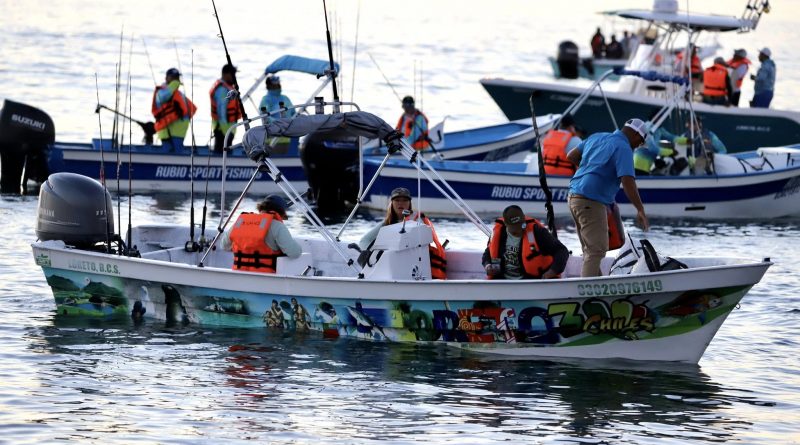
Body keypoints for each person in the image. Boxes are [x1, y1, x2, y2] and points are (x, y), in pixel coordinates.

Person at [566, 118, 650, 277]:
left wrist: (591, 170)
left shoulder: (597, 137)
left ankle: (594, 284)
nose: (639, 145)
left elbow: (571, 156)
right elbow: (628, 182)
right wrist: (640, 209)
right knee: (596, 250)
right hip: (590, 201)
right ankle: (587, 295)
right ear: (635, 134)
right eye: (641, 140)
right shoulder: (624, 148)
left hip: (574, 197)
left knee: (590, 250)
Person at [358, 187, 446, 279]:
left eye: (404, 200)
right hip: (392, 266)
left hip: (415, 268)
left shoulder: (418, 220)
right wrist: (375, 253)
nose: (401, 203)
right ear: (392, 203)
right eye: (397, 200)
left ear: (409, 203)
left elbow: (424, 242)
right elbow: (364, 241)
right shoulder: (386, 223)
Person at [482, 205, 569, 280]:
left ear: (524, 219)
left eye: (522, 226)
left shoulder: (537, 232)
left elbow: (562, 251)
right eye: (514, 230)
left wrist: (551, 272)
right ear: (505, 224)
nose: (520, 231)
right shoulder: (498, 233)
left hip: (532, 281)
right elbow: (487, 253)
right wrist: (487, 265)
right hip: (503, 281)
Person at [222, 194, 302, 273]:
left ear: (261, 208)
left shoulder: (240, 222)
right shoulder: (277, 226)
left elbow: (224, 245)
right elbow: (295, 253)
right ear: (281, 212)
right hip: (265, 278)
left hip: (238, 275)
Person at [151, 68, 197, 151]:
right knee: (169, 153)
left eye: (177, 77)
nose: (176, 80)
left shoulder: (178, 93)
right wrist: (174, 85)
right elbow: (161, 98)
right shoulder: (162, 91)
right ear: (166, 78)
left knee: (177, 152)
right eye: (173, 77)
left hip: (179, 132)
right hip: (167, 132)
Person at [209, 63, 243, 153]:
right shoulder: (222, 90)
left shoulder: (228, 88)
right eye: (233, 74)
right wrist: (226, 131)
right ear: (225, 74)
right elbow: (221, 110)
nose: (234, 77)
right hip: (223, 130)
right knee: (222, 153)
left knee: (224, 152)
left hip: (227, 129)